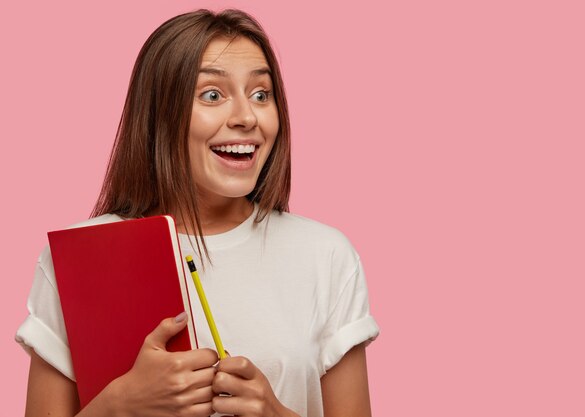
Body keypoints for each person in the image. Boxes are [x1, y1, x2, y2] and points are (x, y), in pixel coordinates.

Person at [16, 8, 379, 417]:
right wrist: (120, 405)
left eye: (261, 94)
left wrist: (275, 413)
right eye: (212, 95)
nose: (246, 117)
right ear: (159, 115)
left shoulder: (326, 256)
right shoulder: (79, 257)